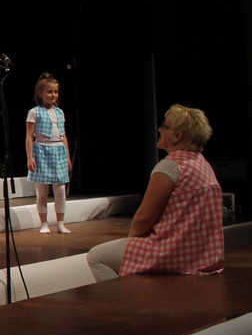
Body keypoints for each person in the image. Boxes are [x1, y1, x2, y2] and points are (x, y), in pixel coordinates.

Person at [86, 105, 224, 281]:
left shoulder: (171, 166)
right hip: (203, 256)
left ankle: (122, 304)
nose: (160, 129)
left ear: (177, 136)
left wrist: (131, 244)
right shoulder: (203, 165)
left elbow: (144, 218)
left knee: (96, 256)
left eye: (165, 126)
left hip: (173, 253)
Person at [26, 72, 72, 234]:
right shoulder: (34, 112)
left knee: (60, 191)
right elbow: (29, 137)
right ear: (40, 93)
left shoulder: (59, 112)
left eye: (56, 92)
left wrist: (67, 156)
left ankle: (60, 223)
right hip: (42, 152)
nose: (53, 95)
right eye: (49, 91)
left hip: (58, 150)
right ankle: (44, 223)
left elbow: (63, 135)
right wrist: (30, 157)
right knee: (43, 191)